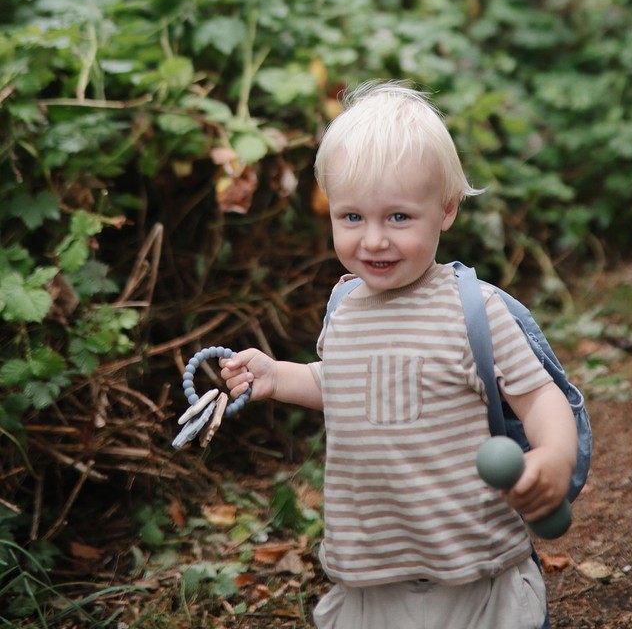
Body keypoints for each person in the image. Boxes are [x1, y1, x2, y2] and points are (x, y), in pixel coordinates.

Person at [220, 81, 578, 629]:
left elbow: (539, 396)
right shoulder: (344, 306)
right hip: (371, 572)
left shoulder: (473, 310)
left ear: (446, 209)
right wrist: (277, 376)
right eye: (352, 217)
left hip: (473, 569)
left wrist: (554, 456)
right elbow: (344, 383)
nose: (373, 241)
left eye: (398, 218)